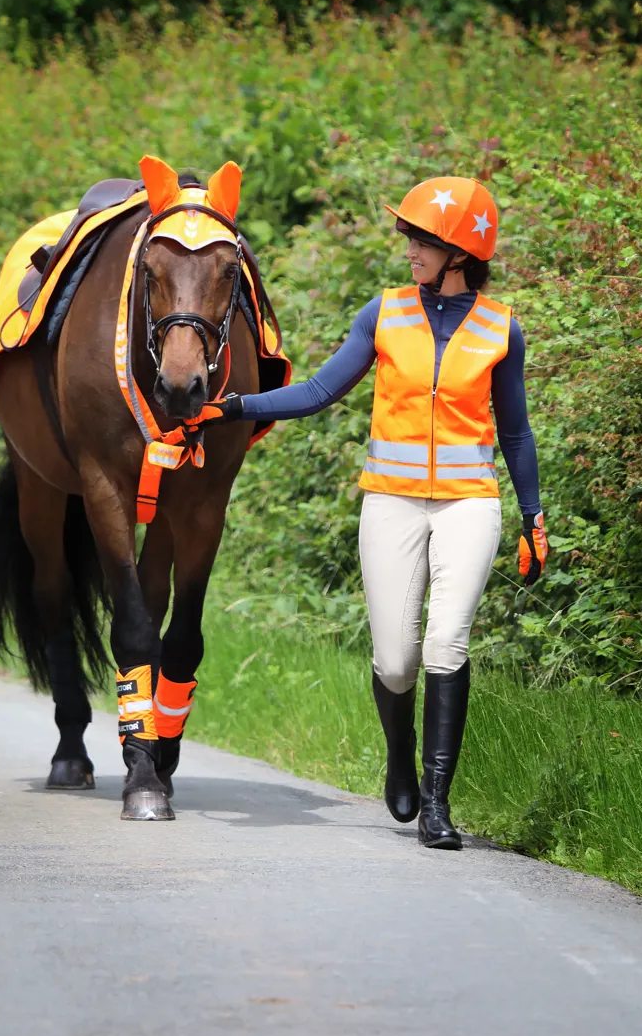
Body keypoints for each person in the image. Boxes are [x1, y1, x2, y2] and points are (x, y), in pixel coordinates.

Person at [203, 177, 548, 849]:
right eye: (409, 233)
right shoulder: (383, 314)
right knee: (395, 662)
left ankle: (437, 805)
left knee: (447, 641)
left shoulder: (501, 329)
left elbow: (516, 432)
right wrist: (236, 407)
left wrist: (533, 515)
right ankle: (399, 754)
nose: (408, 246)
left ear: (460, 250)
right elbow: (320, 390)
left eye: (421, 237)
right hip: (390, 501)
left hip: (468, 505)